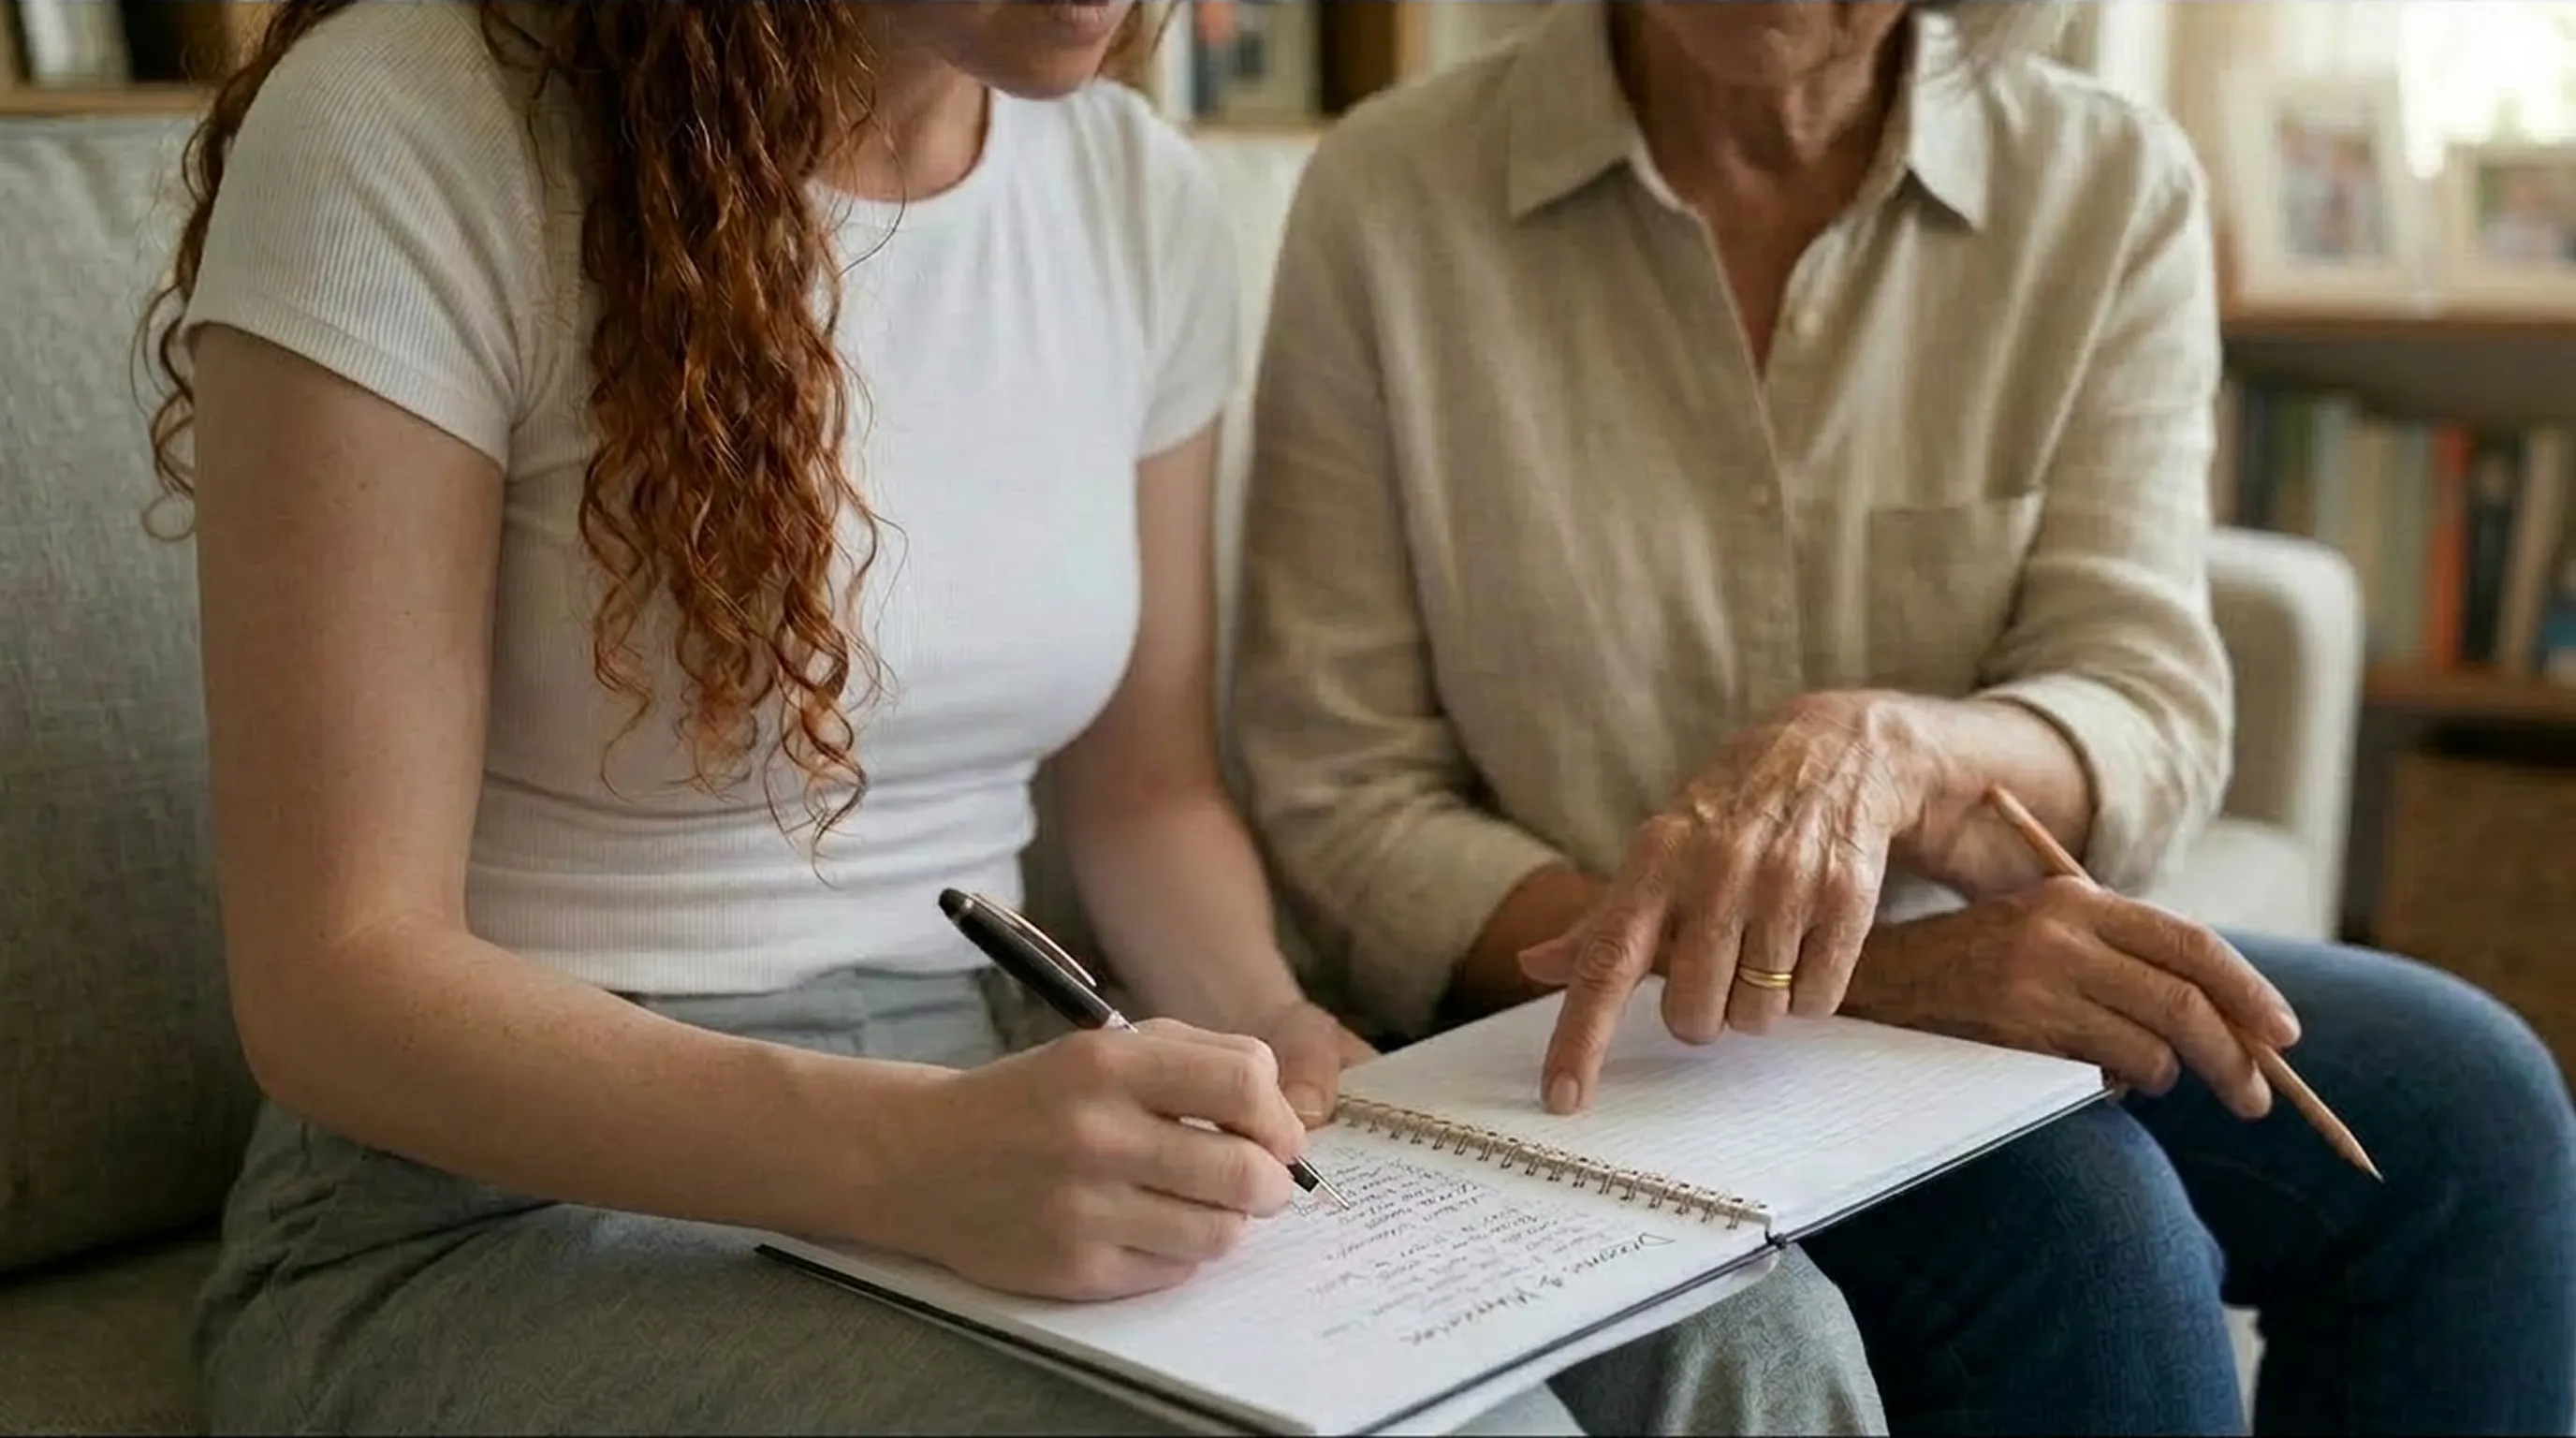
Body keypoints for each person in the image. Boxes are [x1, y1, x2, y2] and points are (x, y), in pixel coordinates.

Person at [145, 1, 1889, 1433]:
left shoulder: (1127, 186)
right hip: (486, 1208)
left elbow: (1141, 798)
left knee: (1752, 1344)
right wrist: (900, 1154)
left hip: (996, 1083)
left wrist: (1272, 1023)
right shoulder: (409, 124)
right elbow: (334, 981)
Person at [1231, 2, 2576, 1434]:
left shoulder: (2106, 186)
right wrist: (1857, 973)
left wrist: (1897, 750)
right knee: (2087, 1231)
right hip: (1559, 1027)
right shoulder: (1394, 193)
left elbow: (2148, 706)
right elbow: (1343, 792)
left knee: (2472, 1108)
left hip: (1975, 967)